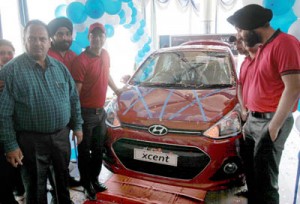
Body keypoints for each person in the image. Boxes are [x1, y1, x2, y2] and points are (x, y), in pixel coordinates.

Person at [0, 19, 83, 204]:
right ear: (24, 40)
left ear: (49, 41)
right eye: (32, 38)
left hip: (61, 137)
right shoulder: (10, 71)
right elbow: (3, 114)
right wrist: (11, 146)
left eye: (42, 38)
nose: (38, 43)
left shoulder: (60, 68)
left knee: (62, 180)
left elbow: (73, 99)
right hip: (31, 141)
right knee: (36, 188)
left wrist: (77, 126)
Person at [227, 4, 300, 204]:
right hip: (254, 118)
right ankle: (254, 198)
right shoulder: (264, 48)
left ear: (253, 28)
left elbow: (293, 88)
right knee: (251, 168)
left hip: (271, 121)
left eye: (241, 31)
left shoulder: (285, 43)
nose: (240, 36)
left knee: (266, 179)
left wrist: (274, 127)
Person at [71, 22, 120, 200]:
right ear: (89, 37)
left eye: (101, 35)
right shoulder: (81, 61)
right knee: (84, 152)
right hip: (85, 114)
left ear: (105, 38)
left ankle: (95, 180)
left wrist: (117, 90)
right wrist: (75, 120)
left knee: (99, 150)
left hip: (101, 113)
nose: (97, 38)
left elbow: (107, 75)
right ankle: (86, 184)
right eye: (94, 35)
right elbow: (75, 94)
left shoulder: (105, 54)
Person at [47, 16, 81, 189]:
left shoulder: (73, 56)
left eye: (68, 33)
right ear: (52, 37)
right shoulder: (45, 55)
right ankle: (54, 185)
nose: (65, 37)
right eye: (60, 34)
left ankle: (64, 178)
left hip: (67, 112)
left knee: (64, 151)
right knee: (51, 155)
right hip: (49, 115)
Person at [0, 39, 24, 204]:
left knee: (18, 166)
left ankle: (20, 191)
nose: (7, 56)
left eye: (10, 52)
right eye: (2, 53)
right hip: (2, 133)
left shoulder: (19, 73)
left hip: (19, 130)